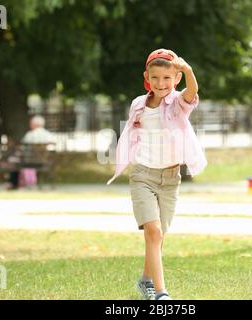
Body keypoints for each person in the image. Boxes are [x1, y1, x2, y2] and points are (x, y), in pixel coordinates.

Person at [106, 49, 207, 300]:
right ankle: (161, 293)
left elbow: (192, 94)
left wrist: (188, 70)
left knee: (159, 236)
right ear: (146, 78)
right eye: (155, 78)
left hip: (170, 180)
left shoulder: (177, 104)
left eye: (167, 78)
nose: (161, 84)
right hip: (143, 176)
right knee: (153, 231)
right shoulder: (138, 104)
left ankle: (145, 281)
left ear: (176, 80)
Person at [6, 115, 55, 189]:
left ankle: (13, 183)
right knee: (16, 160)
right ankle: (18, 183)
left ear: (35, 124)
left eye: (31, 123)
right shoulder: (49, 135)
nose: (30, 125)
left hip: (30, 161)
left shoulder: (30, 134)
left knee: (14, 161)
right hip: (44, 161)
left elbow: (23, 148)